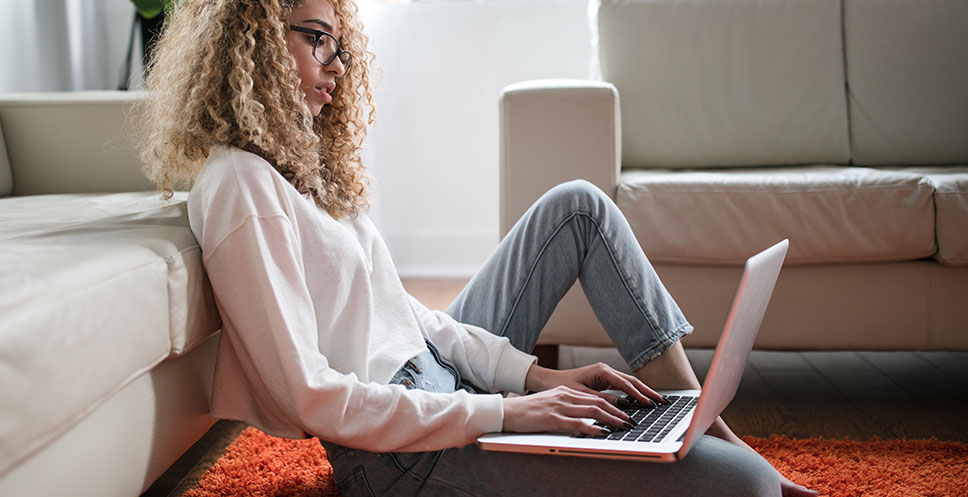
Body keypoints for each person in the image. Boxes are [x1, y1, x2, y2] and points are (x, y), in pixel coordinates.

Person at [136, 0, 815, 495]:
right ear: (251, 38)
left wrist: (533, 377)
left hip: (439, 384)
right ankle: (720, 449)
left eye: (339, 45)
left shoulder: (301, 167)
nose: (335, 64)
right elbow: (312, 396)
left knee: (577, 205)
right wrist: (506, 411)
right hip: (399, 456)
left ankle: (701, 421)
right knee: (746, 487)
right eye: (317, 38)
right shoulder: (239, 185)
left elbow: (410, 317)